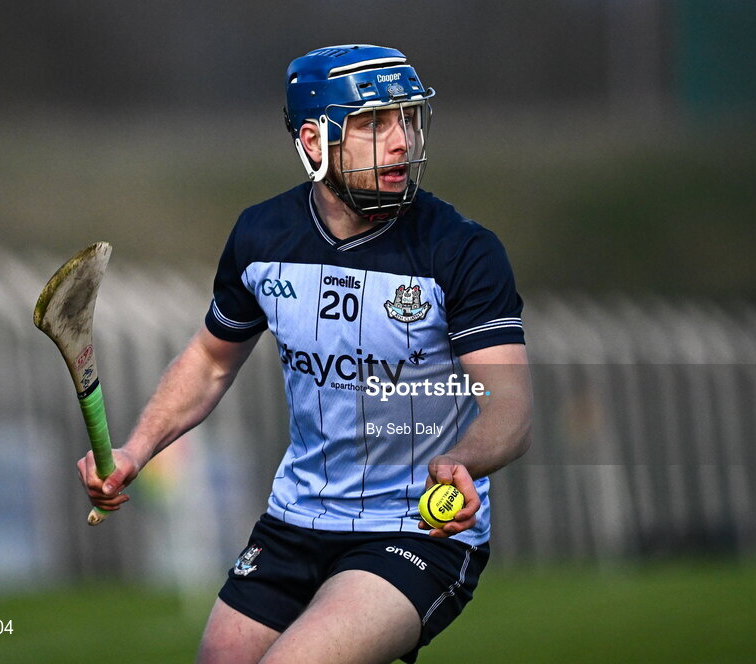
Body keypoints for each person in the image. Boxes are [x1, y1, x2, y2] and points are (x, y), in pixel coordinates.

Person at [76, 44, 532, 664]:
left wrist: (461, 458)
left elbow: (509, 407)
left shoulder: (462, 250)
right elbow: (210, 362)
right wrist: (135, 449)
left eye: (407, 119)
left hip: (414, 530)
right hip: (295, 521)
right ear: (316, 141)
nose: (400, 141)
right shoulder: (261, 236)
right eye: (374, 123)